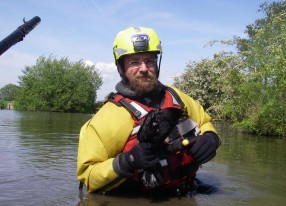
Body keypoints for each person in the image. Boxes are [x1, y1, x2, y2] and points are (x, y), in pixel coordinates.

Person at [77, 26, 221, 197]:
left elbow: (204, 122)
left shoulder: (177, 97)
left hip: (184, 193)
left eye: (149, 60)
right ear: (120, 68)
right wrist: (127, 161)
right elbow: (89, 178)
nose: (144, 68)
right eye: (134, 62)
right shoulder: (106, 118)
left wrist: (211, 138)